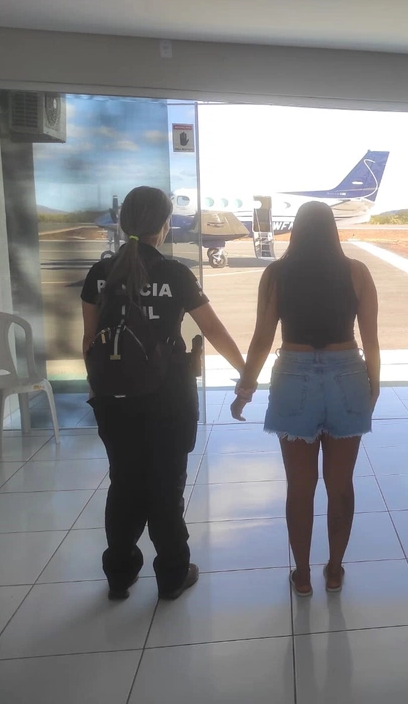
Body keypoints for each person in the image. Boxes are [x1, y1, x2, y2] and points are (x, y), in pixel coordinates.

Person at [81, 186, 247, 601]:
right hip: (168, 397)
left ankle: (119, 574)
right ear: (165, 225)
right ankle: (172, 573)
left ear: (123, 225)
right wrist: (245, 373)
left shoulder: (100, 274)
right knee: (165, 485)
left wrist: (104, 389)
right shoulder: (175, 274)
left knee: (123, 482)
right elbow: (213, 330)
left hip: (113, 399)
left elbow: (89, 341)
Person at [233, 201, 380, 597]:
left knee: (300, 487)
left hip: (293, 374)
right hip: (347, 372)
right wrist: (374, 383)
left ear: (296, 231)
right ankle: (334, 570)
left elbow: (262, 337)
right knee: (341, 484)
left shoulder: (276, 274)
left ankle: (301, 574)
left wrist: (246, 387)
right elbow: (371, 339)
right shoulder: (357, 272)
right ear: (333, 230)